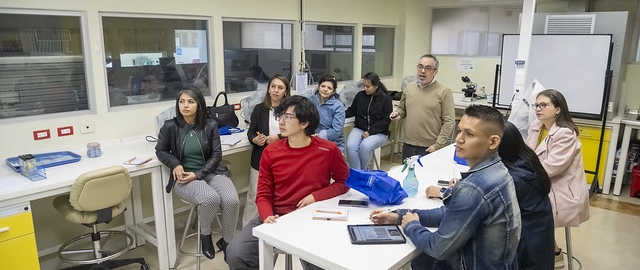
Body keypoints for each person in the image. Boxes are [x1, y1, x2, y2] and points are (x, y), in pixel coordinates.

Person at [371, 105, 521, 270]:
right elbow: (452, 214)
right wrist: (400, 216)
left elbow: (438, 248)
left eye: (469, 134)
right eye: (460, 131)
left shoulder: (474, 187)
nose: (459, 139)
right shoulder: (498, 170)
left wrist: (411, 226)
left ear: (493, 142)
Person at [225, 95, 350, 270]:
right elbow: (263, 194)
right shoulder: (271, 151)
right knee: (236, 253)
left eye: (288, 117)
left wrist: (316, 196)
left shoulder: (327, 149)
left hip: (310, 218)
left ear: (304, 123)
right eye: (280, 116)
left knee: (323, 264)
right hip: (276, 216)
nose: (281, 122)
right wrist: (267, 216)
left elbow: (344, 182)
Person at [155, 87, 239, 260]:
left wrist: (199, 173)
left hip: (211, 172)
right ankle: (205, 235)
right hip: (184, 177)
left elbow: (217, 156)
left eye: (191, 102)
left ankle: (227, 241)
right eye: (182, 101)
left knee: (232, 200)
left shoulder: (210, 125)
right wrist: (175, 164)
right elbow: (160, 150)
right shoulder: (170, 126)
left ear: (199, 105)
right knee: (210, 198)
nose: (185, 106)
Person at [524, 89, 590, 269]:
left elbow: (549, 168)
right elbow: (527, 156)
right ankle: (544, 251)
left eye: (543, 105)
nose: (538, 109)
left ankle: (552, 253)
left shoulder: (565, 133)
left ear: (558, 109)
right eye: (536, 105)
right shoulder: (537, 127)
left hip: (561, 192)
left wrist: (522, 174)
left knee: (523, 207)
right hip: (544, 184)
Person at [500, 121, 554, 270]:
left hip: (524, 256)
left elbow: (475, 207)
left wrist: (445, 193)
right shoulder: (525, 162)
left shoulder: (512, 180)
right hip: (536, 248)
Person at [243, 74, 291, 227]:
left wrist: (278, 137)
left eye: (280, 88)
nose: (276, 91)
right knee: (254, 195)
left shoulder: (291, 111)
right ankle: (247, 229)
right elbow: (251, 132)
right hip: (261, 158)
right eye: (273, 87)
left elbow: (295, 133)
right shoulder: (259, 109)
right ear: (268, 89)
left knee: (280, 196)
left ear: (286, 91)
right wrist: (255, 140)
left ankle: (273, 228)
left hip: (284, 159)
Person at [390, 54, 455, 159]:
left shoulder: (444, 91)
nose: (423, 71)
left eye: (428, 68)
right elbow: (402, 109)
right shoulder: (409, 88)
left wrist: (437, 145)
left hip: (430, 146)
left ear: (435, 72)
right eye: (420, 67)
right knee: (408, 174)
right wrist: (397, 114)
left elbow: (449, 121)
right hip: (408, 143)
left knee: (427, 175)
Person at [345, 72, 393, 169]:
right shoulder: (360, 96)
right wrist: (339, 114)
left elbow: (386, 120)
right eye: (364, 86)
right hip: (360, 128)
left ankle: (363, 172)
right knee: (350, 146)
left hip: (379, 132)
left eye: (368, 86)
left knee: (365, 146)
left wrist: (370, 132)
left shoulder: (386, 99)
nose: (365, 88)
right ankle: (357, 173)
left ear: (376, 86)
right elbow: (352, 110)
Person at [309, 74, 345, 152]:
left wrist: (318, 136)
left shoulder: (338, 106)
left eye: (329, 88)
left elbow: (336, 131)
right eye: (323, 86)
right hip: (312, 140)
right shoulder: (310, 100)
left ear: (333, 92)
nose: (325, 89)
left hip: (333, 143)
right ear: (318, 87)